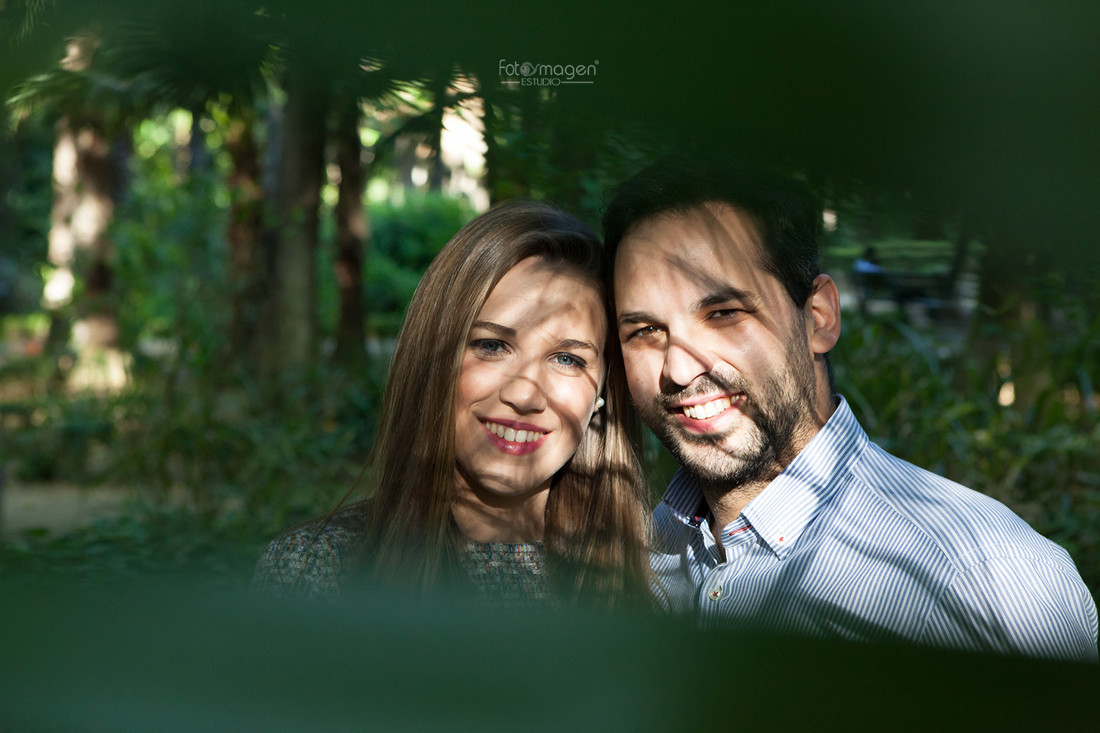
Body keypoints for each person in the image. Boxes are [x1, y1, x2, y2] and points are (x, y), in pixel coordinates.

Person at [602, 157, 1098, 660]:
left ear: (818, 318)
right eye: (645, 331)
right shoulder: (620, 566)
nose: (681, 370)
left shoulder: (984, 579)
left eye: (724, 313)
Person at [254, 201, 650, 609]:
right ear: (433, 362)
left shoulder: (662, 579)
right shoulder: (320, 570)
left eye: (568, 358)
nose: (526, 395)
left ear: (604, 389)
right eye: (492, 346)